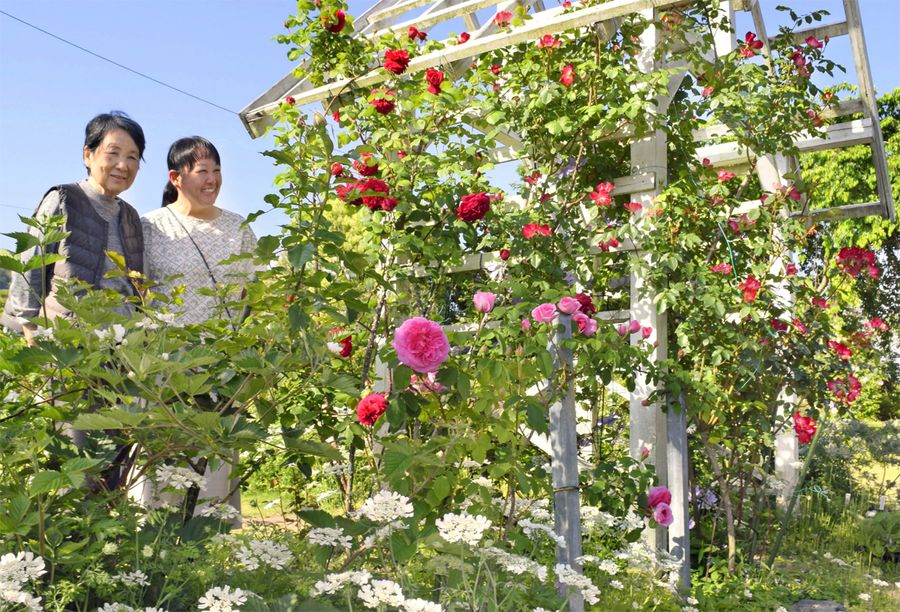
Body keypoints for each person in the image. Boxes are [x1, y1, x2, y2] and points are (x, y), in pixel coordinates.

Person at [138, 136, 259, 521]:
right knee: (166, 467)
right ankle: (157, 547)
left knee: (214, 468)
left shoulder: (238, 229)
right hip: (167, 369)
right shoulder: (149, 226)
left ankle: (207, 552)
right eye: (202, 171)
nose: (212, 179)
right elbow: (134, 290)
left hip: (223, 369)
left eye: (217, 170)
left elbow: (252, 297)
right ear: (176, 177)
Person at [1, 111, 146, 340]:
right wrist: (30, 330)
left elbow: (137, 285)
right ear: (88, 155)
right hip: (65, 342)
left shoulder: (131, 217)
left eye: (132, 157)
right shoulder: (63, 199)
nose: (123, 165)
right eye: (113, 153)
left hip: (121, 348)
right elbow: (30, 266)